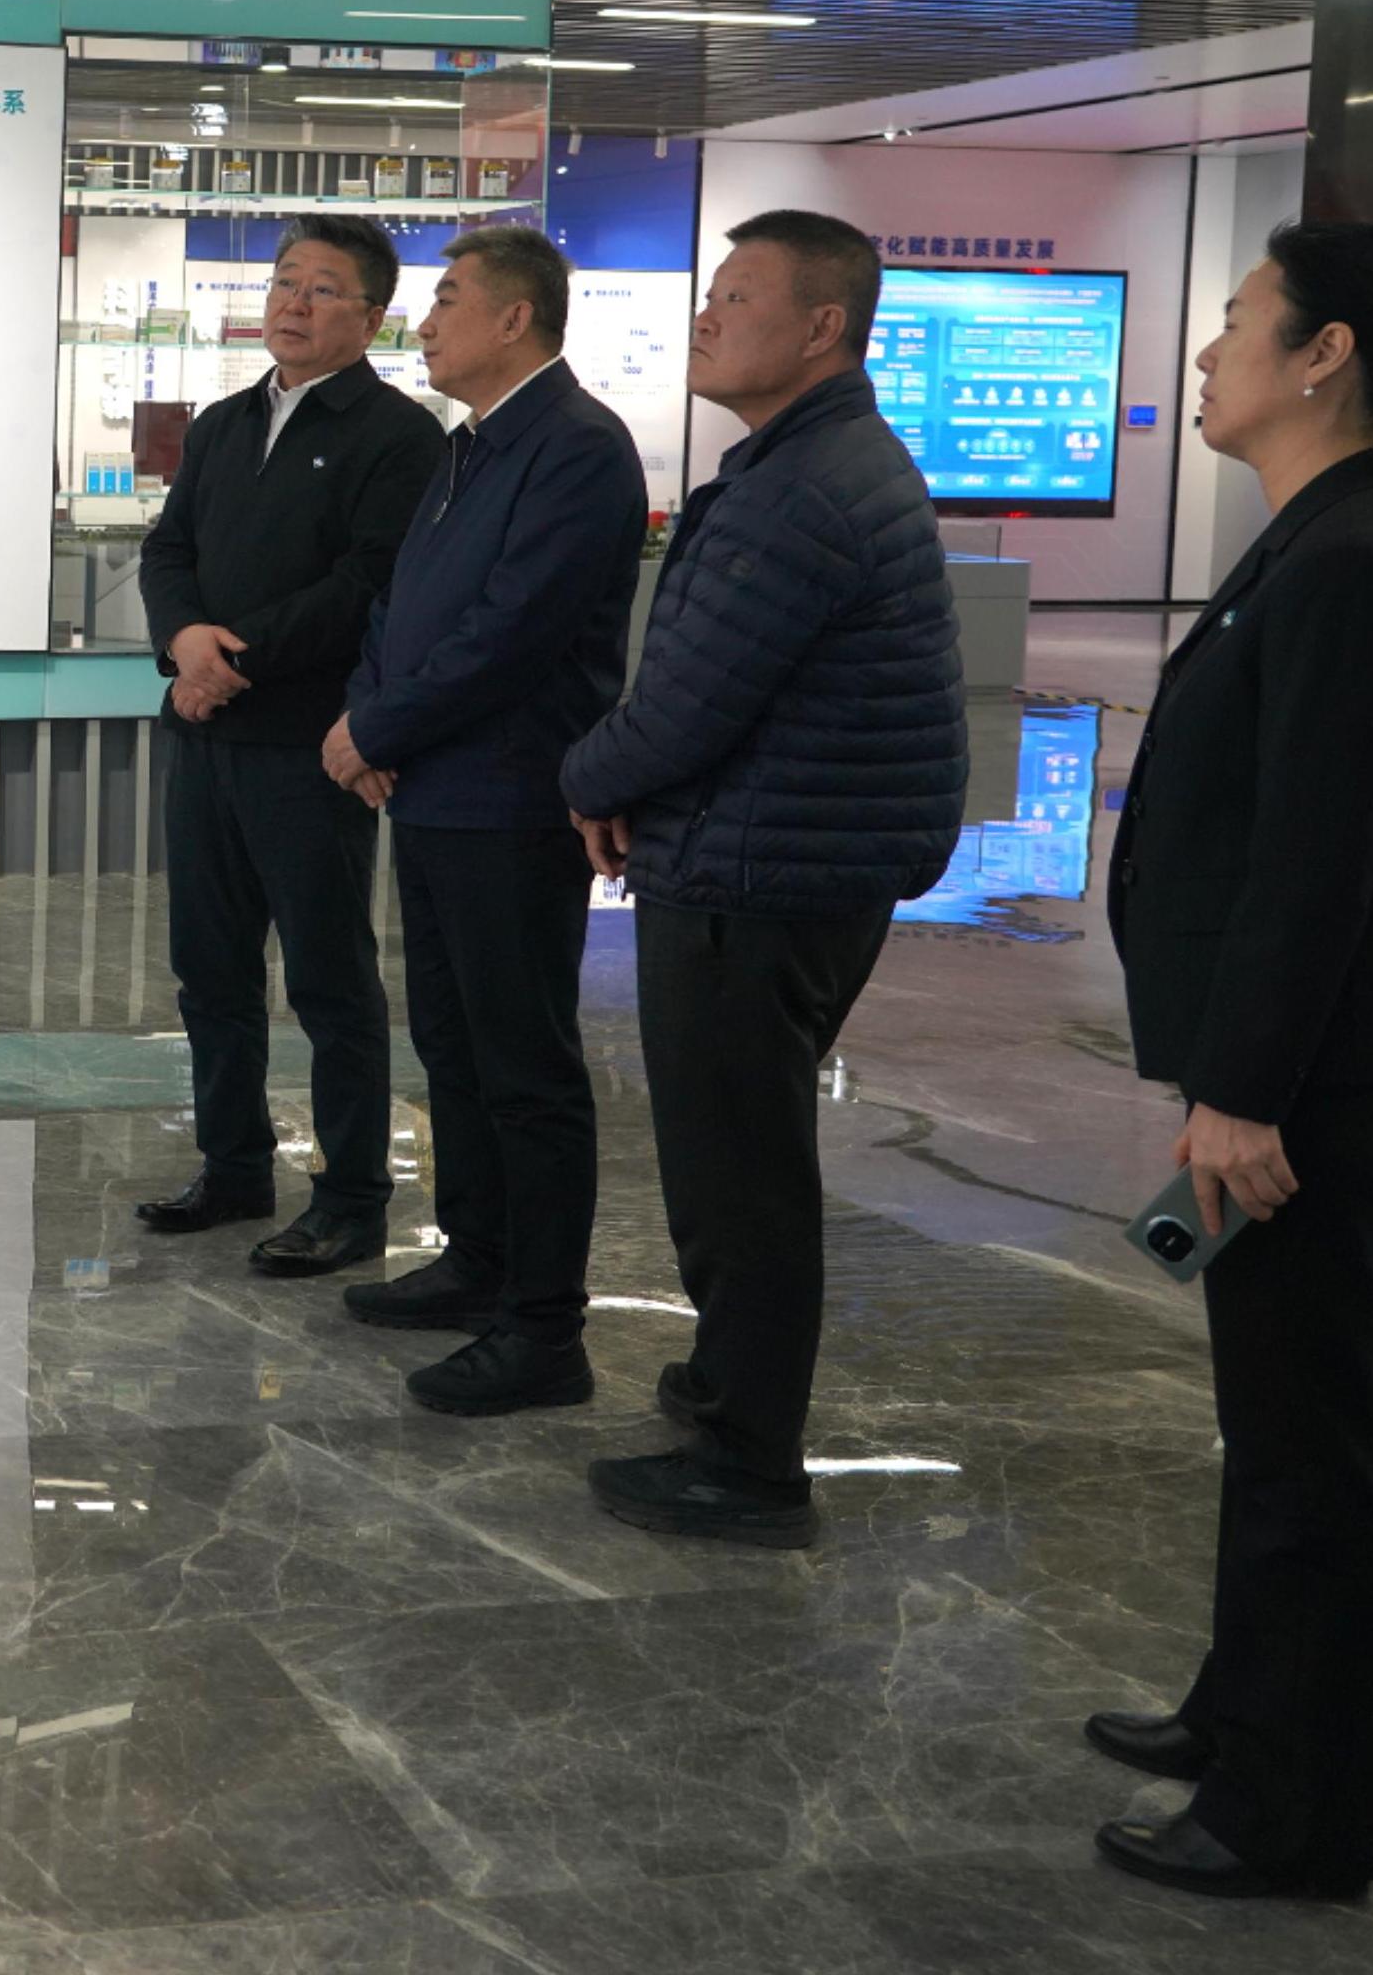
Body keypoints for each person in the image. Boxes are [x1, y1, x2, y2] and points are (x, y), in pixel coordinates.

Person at [1086, 222, 1373, 1902]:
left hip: (1309, 1085)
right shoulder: (1323, 536)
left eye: (1233, 323)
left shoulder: (1351, 560)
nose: (1205, 354)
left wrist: (1241, 1093)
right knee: (1269, 1422)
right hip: (1290, 1066)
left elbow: (1315, 861)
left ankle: (1294, 1810)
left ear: (1321, 354)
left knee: (1306, 1446)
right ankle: (1239, 1710)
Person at [559, 209, 965, 1548]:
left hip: (762, 873)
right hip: (774, 854)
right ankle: (725, 1387)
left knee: (739, 1175)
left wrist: (588, 779)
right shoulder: (813, 462)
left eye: (737, 296)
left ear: (821, 328)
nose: (707, 316)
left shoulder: (806, 489)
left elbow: (688, 700)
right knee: (736, 1158)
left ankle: (749, 1460)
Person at [320, 224, 646, 1411]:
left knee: (524, 1065)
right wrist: (371, 717)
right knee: (453, 1045)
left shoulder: (578, 448)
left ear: (516, 318)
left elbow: (511, 632)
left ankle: (545, 1327)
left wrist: (378, 729)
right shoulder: (470, 445)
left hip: (510, 798)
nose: (426, 322)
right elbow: (400, 606)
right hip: (433, 791)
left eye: (449, 299)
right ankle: (478, 1258)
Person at [133, 216, 444, 1275]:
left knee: (327, 979)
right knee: (209, 971)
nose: (293, 304)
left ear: (373, 316)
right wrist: (184, 642)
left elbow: (369, 583)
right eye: (283, 282)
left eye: (321, 288)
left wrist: (235, 659)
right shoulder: (224, 423)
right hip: (206, 736)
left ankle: (352, 1198)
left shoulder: (397, 436)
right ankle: (232, 1168)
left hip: (308, 748)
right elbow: (169, 549)